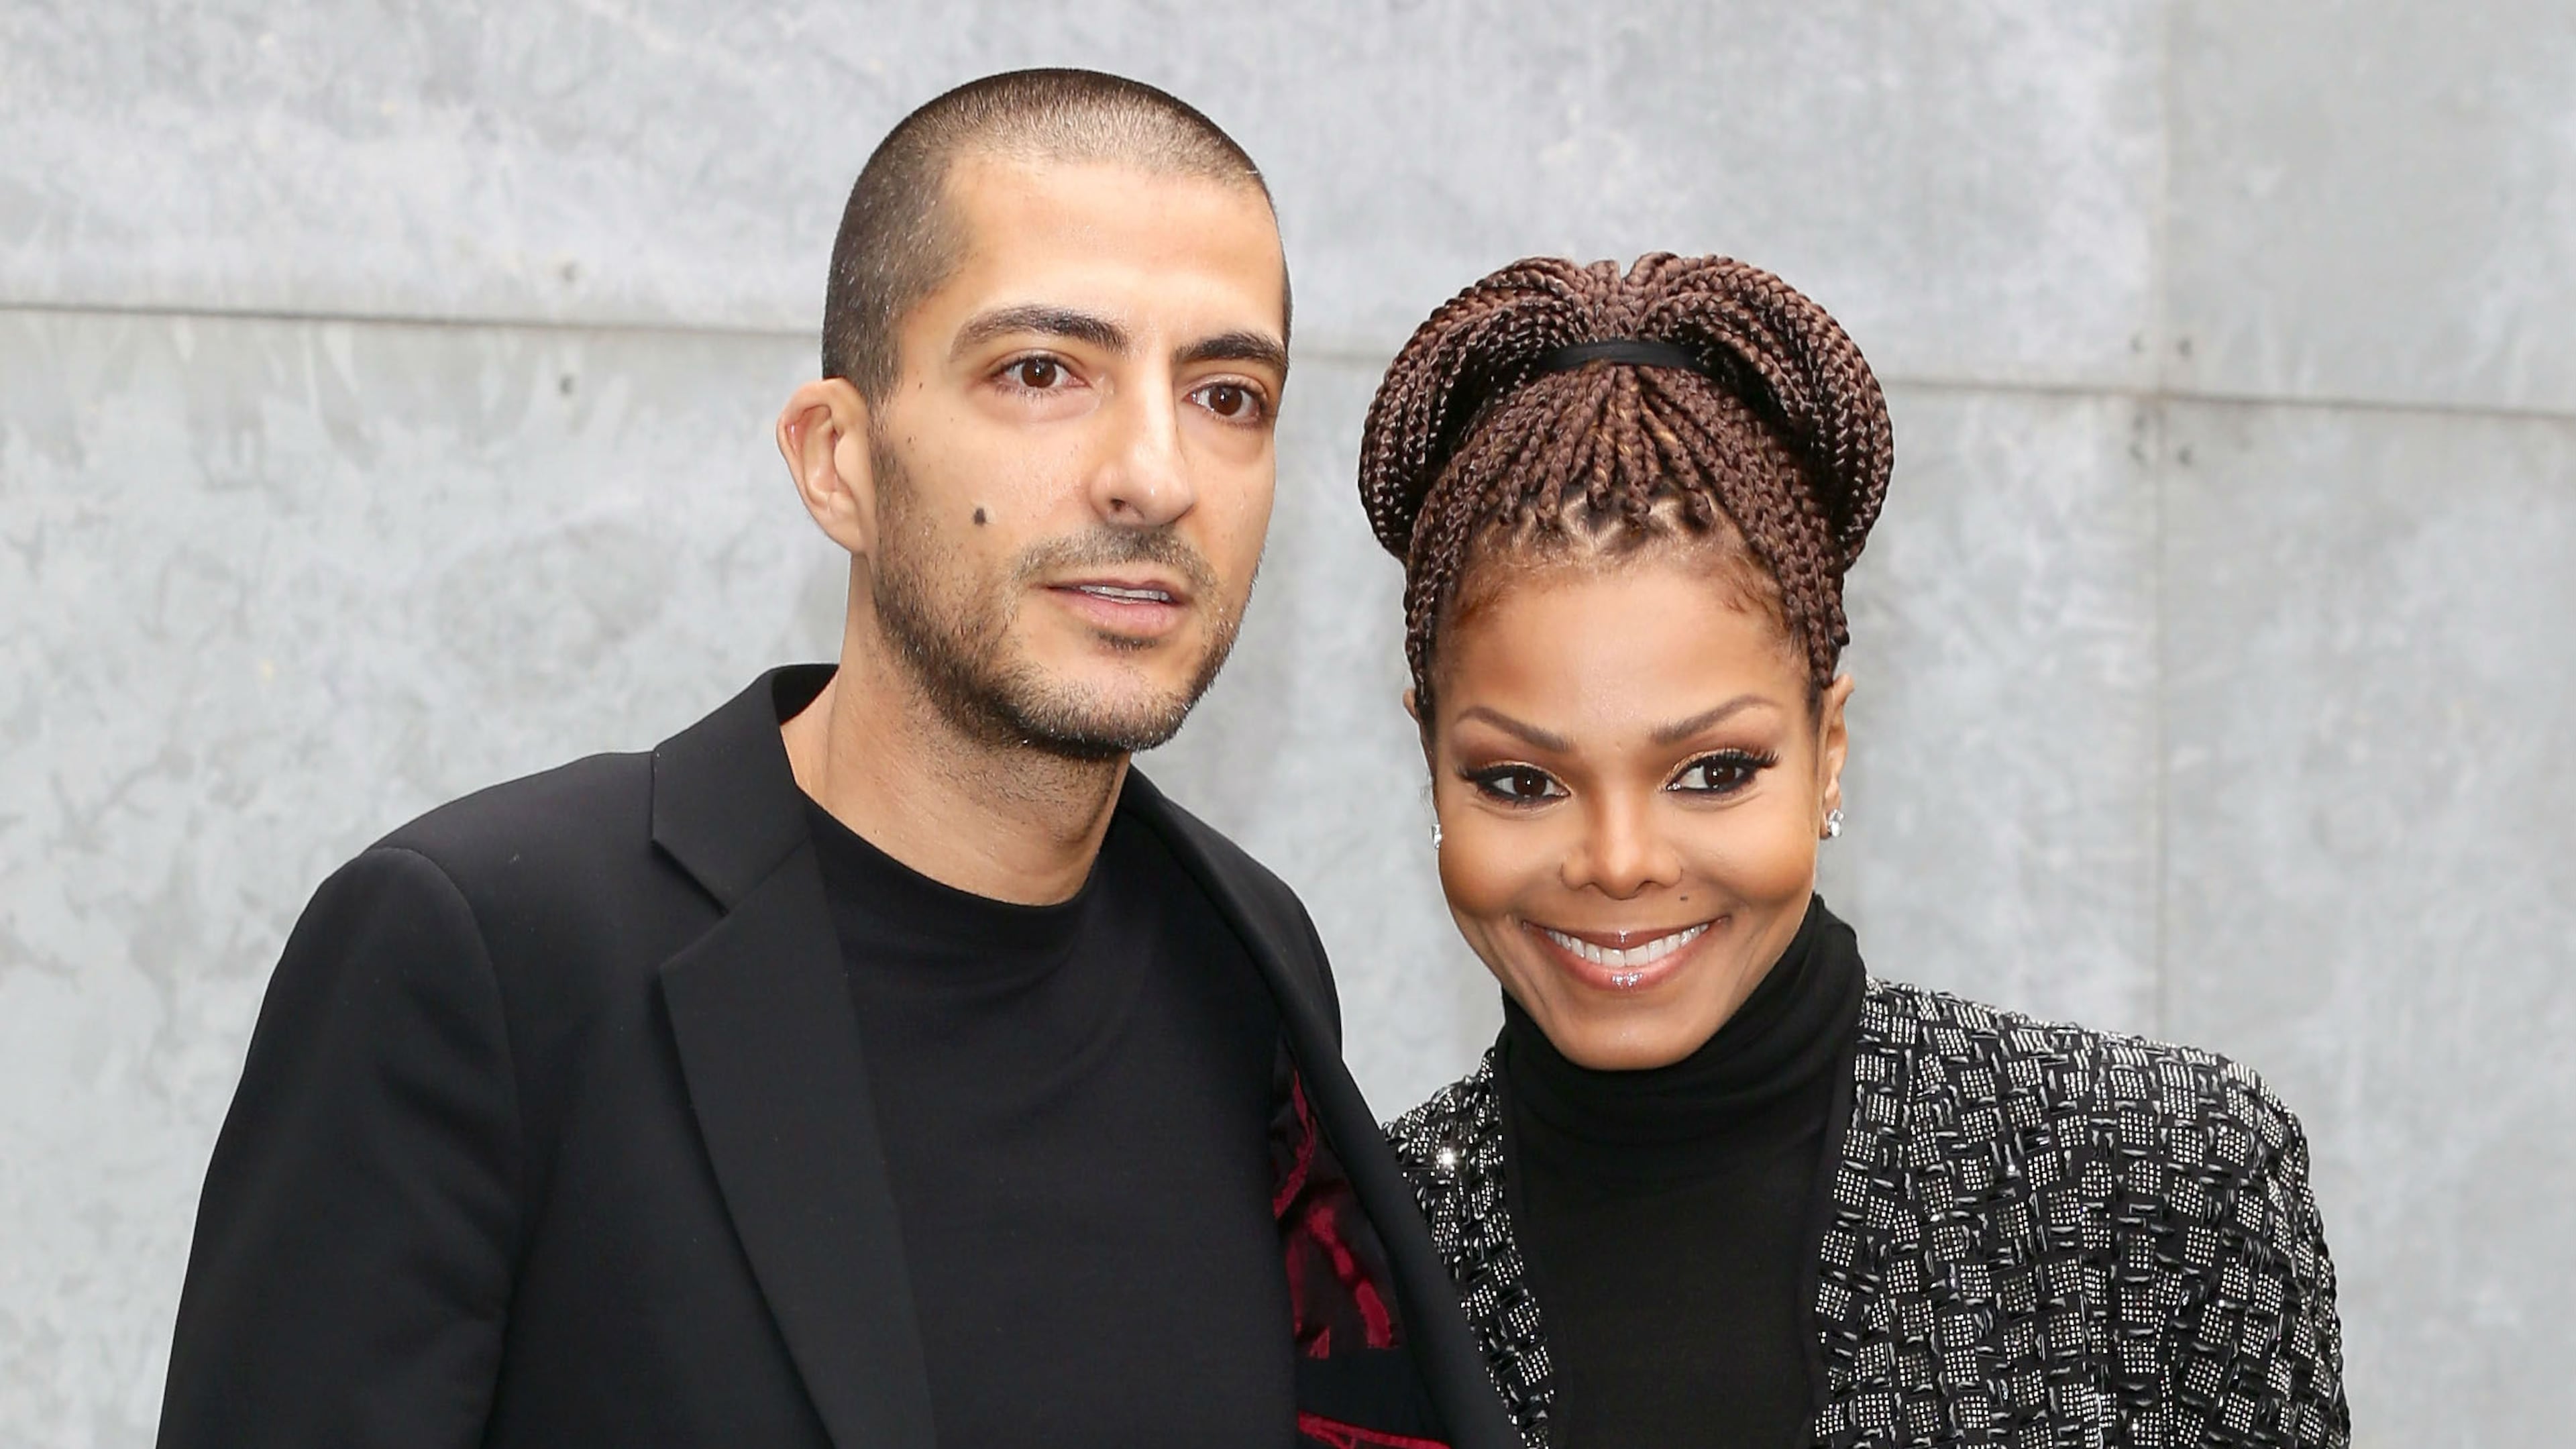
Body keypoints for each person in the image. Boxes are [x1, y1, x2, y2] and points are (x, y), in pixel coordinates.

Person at [158, 69, 1514, 1449]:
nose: (1154, 475)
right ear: (836, 461)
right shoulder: (486, 956)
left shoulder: (1246, 961)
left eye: (1228, 393)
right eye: (1043, 372)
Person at [1363, 255, 2351, 1447]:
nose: (1619, 861)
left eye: (1714, 772)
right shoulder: (1349, 1263)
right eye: (1521, 782)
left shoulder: (2171, 1183)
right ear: (1429, 763)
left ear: (1830, 748)